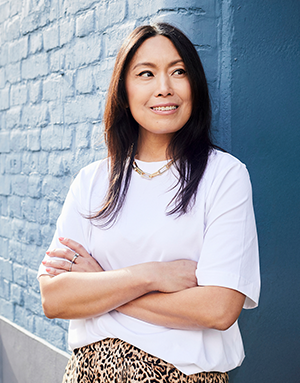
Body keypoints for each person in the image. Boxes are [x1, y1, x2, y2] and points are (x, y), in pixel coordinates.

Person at [38, 22, 260, 383]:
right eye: (146, 73)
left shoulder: (224, 176)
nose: (164, 88)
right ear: (124, 91)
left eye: (179, 72)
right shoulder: (92, 181)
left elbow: (219, 309)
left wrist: (103, 287)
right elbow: (55, 298)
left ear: (195, 86)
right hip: (89, 373)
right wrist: (151, 276)